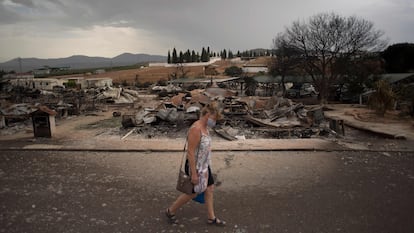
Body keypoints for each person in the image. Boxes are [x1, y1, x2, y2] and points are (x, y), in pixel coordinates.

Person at [165, 102, 226, 226]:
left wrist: (208, 165)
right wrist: (193, 174)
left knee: (209, 188)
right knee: (192, 192)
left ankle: (211, 218)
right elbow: (190, 152)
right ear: (208, 115)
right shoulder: (196, 129)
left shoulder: (205, 128)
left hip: (204, 165)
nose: (214, 122)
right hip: (195, 166)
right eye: (214, 119)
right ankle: (170, 211)